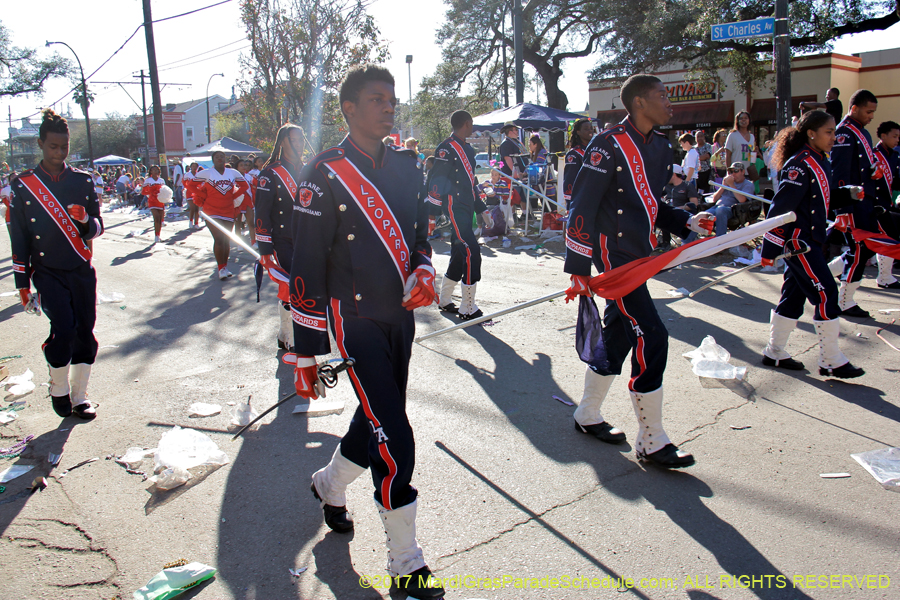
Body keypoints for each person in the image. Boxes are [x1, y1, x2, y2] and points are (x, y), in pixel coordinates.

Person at [292, 64, 444, 600]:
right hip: (350, 317)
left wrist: (423, 268)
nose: (389, 107)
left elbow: (419, 234)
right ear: (349, 109)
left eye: (392, 99)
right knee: (396, 434)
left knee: (378, 418)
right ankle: (406, 561)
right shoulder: (323, 172)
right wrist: (306, 353)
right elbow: (305, 264)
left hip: (398, 313)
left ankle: (328, 484)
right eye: (377, 99)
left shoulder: (406, 166)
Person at [564, 75, 715, 469]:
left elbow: (651, 203)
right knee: (652, 333)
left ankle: (587, 413)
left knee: (617, 335)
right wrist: (578, 267)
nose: (669, 102)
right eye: (662, 96)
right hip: (611, 254)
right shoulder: (607, 143)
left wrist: (689, 222)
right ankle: (652, 438)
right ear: (638, 102)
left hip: (639, 251)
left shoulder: (661, 147)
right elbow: (581, 206)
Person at [8, 109, 103, 420]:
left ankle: (79, 396)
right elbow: (19, 238)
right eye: (53, 147)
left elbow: (99, 227)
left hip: (80, 268)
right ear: (40, 143)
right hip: (47, 270)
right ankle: (58, 388)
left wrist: (86, 220)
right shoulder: (23, 186)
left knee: (85, 331)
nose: (59, 153)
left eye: (64, 147)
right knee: (63, 328)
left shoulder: (83, 181)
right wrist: (22, 284)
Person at [760, 110, 864, 379]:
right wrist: (769, 250)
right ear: (811, 133)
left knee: (793, 297)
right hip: (799, 243)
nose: (834, 137)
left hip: (813, 239)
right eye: (829, 132)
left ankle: (774, 352)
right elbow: (780, 209)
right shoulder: (799, 164)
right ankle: (831, 359)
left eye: (834, 131)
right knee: (827, 292)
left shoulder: (821, 160)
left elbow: (822, 199)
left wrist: (848, 193)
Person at [429, 110, 495, 320]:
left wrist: (481, 208)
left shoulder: (468, 149)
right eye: (472, 124)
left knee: (460, 251)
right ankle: (468, 306)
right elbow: (436, 181)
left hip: (466, 205)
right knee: (470, 249)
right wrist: (431, 214)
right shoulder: (446, 148)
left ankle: (445, 299)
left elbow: (470, 182)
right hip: (453, 205)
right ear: (467, 123)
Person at [255, 123, 305, 353]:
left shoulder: (308, 170)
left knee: (305, 286)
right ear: (283, 141)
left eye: (302, 139)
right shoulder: (270, 174)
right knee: (291, 285)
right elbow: (262, 212)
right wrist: (265, 250)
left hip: (307, 240)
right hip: (282, 240)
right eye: (295, 139)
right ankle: (291, 337)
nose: (299, 144)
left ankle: (284, 333)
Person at [831, 89, 881, 317]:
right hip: (852, 203)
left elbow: (863, 165)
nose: (872, 116)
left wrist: (875, 172)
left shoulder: (861, 132)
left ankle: (823, 274)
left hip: (864, 200)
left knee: (861, 249)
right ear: (854, 109)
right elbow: (840, 172)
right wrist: (842, 209)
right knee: (860, 250)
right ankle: (845, 301)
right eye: (868, 111)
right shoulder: (844, 132)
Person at [192, 150, 250, 280]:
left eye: (222, 157)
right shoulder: (206, 173)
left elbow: (244, 186)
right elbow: (190, 185)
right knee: (218, 238)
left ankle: (224, 267)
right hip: (211, 211)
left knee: (225, 239)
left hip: (228, 210)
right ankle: (220, 268)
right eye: (217, 157)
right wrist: (203, 196)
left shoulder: (232, 172)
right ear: (213, 160)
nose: (220, 158)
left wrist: (233, 196)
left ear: (225, 159)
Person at [871, 120, 900, 289]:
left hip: (885, 203)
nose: (897, 139)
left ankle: (885, 276)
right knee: (889, 238)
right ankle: (884, 277)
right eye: (894, 136)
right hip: (874, 204)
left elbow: (894, 181)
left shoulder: (894, 156)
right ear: (883, 136)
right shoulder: (873, 155)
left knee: (863, 248)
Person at [658, 165, 700, 248]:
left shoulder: (687, 186)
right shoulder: (665, 186)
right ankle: (664, 243)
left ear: (673, 174)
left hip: (681, 212)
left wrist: (679, 208)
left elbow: (694, 204)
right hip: (667, 211)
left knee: (668, 215)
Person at [708, 162, 755, 237]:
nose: (733, 174)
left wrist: (731, 185)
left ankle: (720, 240)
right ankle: (689, 242)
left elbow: (742, 200)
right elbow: (714, 199)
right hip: (717, 207)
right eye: (731, 171)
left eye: (736, 171)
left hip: (733, 210)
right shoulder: (727, 182)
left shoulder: (748, 184)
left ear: (743, 172)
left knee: (720, 210)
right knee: (701, 216)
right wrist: (723, 186)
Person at [564, 118, 594, 211]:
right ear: (578, 132)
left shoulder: (596, 149)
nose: (590, 131)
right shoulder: (574, 154)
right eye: (586, 128)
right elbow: (570, 180)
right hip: (581, 199)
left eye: (591, 128)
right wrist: (571, 202)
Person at [725, 111, 757, 180]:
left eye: (746, 118)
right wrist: (729, 172)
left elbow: (752, 155)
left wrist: (755, 154)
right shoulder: (732, 135)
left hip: (747, 173)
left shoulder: (752, 137)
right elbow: (728, 155)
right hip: (735, 172)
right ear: (737, 121)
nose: (743, 120)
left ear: (749, 120)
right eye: (741, 118)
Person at [141, 165, 167, 243]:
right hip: (152, 201)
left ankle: (158, 235)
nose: (155, 171)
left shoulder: (162, 180)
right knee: (156, 218)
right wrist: (151, 192)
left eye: (156, 170)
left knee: (160, 219)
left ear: (159, 171)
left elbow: (165, 190)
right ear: (151, 171)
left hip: (160, 201)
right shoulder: (148, 180)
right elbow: (143, 192)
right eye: (153, 170)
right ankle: (156, 236)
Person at [183, 162, 203, 230]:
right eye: (193, 166)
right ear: (190, 167)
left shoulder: (199, 174)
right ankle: (191, 221)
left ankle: (196, 223)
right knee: (192, 207)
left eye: (195, 166)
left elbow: (202, 182)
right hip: (189, 193)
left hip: (197, 192)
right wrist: (187, 187)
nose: (194, 168)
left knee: (197, 208)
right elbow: (184, 181)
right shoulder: (187, 174)